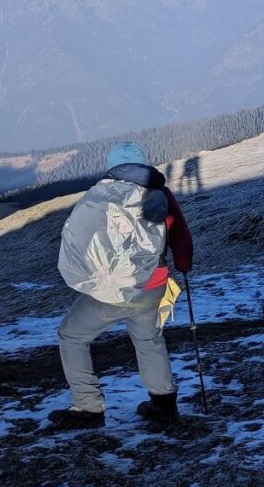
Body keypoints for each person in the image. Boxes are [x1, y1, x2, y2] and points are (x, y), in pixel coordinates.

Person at [50, 142, 193, 429]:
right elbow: (181, 238)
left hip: (112, 289)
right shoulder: (161, 195)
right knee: (149, 339)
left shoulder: (102, 195)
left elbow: (81, 236)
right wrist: (183, 264)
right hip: (153, 283)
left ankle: (88, 407)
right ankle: (163, 403)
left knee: (71, 336)